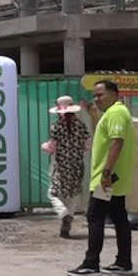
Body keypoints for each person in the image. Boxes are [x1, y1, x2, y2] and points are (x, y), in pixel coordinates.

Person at [68, 80, 136, 276]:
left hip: (107, 178)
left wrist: (106, 173)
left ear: (115, 94)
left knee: (95, 217)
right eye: (94, 95)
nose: (96, 99)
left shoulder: (116, 113)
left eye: (100, 95)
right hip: (115, 177)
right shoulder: (116, 113)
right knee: (118, 217)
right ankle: (123, 261)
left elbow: (117, 142)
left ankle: (91, 263)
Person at [45, 95, 90, 239]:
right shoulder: (81, 126)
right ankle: (68, 216)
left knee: (53, 193)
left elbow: (52, 147)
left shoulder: (56, 127)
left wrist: (45, 146)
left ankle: (64, 213)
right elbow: (87, 145)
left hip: (61, 165)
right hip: (77, 164)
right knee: (74, 194)